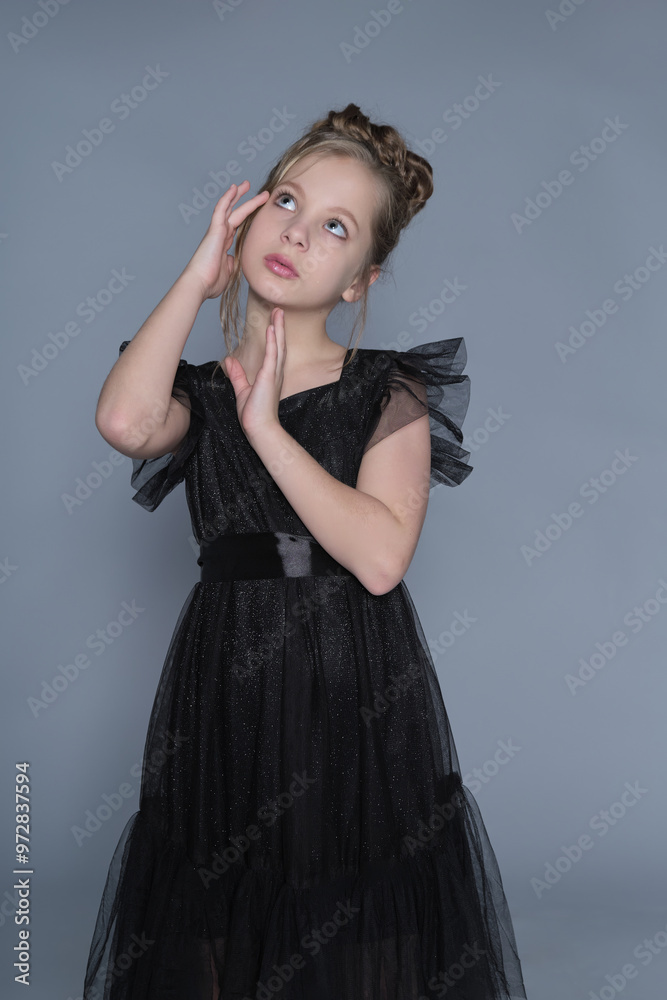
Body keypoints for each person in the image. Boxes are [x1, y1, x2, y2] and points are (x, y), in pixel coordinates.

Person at [83, 103, 527, 1000]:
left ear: (358, 279)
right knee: (215, 900)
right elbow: (126, 421)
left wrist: (270, 432)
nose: (296, 232)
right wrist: (197, 280)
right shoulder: (201, 392)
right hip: (222, 675)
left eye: (334, 227)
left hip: (347, 677)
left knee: (345, 906)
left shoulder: (384, 388)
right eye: (285, 201)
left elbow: (377, 558)